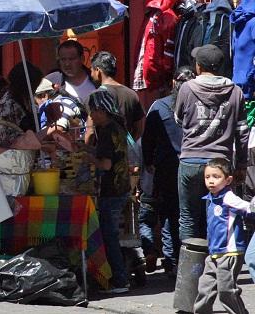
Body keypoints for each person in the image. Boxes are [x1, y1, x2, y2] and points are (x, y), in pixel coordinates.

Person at [175, 44, 249, 241]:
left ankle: (190, 268)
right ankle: (216, 264)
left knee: (188, 217)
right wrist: (241, 165)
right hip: (220, 164)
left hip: (190, 160)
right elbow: (242, 131)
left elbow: (178, 119)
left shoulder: (187, 88)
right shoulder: (236, 92)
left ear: (199, 66)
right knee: (219, 216)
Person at [140, 66, 195, 277]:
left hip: (168, 169)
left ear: (173, 82)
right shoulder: (198, 105)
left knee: (171, 215)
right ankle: (185, 259)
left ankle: (174, 261)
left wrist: (148, 162)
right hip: (188, 167)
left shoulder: (160, 106)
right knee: (189, 215)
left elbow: (148, 139)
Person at [85, 89, 131, 294]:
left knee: (109, 236)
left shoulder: (105, 132)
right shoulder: (118, 127)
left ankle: (120, 280)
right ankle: (119, 276)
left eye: (93, 111)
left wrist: (89, 159)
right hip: (122, 188)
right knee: (111, 234)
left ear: (101, 111)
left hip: (112, 190)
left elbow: (105, 164)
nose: (91, 116)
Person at [194, 158, 253, 314]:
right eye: (207, 177)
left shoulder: (228, 198)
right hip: (214, 253)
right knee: (205, 287)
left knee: (227, 290)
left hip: (229, 253)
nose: (211, 181)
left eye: (216, 176)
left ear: (228, 180)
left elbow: (247, 208)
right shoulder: (210, 198)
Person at [90, 51, 145, 140]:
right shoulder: (132, 94)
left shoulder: (96, 96)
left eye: (91, 70)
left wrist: (85, 149)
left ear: (97, 71)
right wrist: (126, 147)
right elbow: (139, 128)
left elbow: (91, 131)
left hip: (104, 151)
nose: (91, 75)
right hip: (127, 152)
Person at [0, 61, 42, 144]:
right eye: (34, 86)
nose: (34, 89)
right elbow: (24, 136)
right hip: (16, 151)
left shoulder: (23, 99)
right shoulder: (10, 104)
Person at [45, 40, 97, 104]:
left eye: (71, 59)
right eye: (63, 59)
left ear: (82, 59)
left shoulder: (96, 81)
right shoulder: (51, 80)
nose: (67, 64)